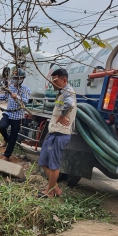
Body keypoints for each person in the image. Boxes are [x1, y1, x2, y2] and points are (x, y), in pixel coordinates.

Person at [38, 68, 77, 198]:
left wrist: (61, 116)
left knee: (53, 165)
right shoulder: (61, 92)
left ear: (64, 80)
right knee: (43, 161)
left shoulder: (68, 91)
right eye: (52, 81)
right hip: (53, 131)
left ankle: (49, 192)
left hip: (61, 133)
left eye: (55, 81)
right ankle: (55, 188)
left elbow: (69, 104)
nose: (52, 84)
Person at [0, 67, 31, 161]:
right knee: (2, 126)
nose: (15, 80)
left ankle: (6, 156)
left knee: (13, 136)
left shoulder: (26, 89)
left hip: (18, 116)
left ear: (22, 78)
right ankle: (5, 138)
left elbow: (26, 101)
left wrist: (17, 97)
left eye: (17, 78)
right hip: (9, 113)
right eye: (14, 78)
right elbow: (4, 97)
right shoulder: (10, 87)